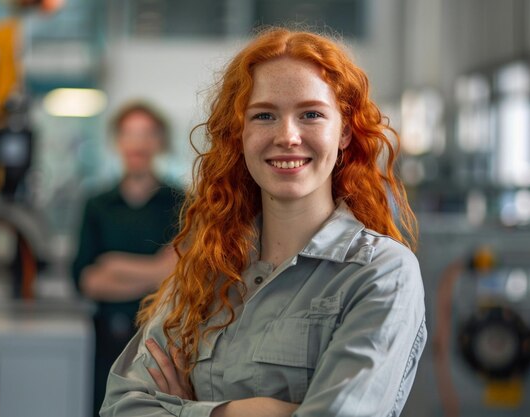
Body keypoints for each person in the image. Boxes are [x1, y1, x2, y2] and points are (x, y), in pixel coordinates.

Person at [99, 28, 427, 417]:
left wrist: (187, 409)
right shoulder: (209, 267)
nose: (288, 136)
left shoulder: (380, 273)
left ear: (344, 133)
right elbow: (121, 406)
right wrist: (246, 412)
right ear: (239, 134)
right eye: (265, 115)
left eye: (311, 114)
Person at [72, 101, 181, 417]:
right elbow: (86, 280)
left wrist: (115, 266)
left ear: (159, 142)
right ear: (118, 142)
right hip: (106, 341)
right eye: (129, 134)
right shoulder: (97, 205)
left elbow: (180, 275)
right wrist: (156, 271)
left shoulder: (181, 202)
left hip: (163, 343)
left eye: (146, 134)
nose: (138, 143)